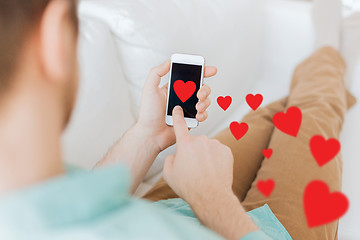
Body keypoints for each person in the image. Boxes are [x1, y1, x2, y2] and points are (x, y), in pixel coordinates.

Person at [0, 1, 356, 240]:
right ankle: (328, 52)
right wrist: (213, 201)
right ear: (55, 38)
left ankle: (312, 80)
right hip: (245, 226)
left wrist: (148, 136)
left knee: (279, 115)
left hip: (173, 203)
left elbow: (73, 207)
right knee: (317, 110)